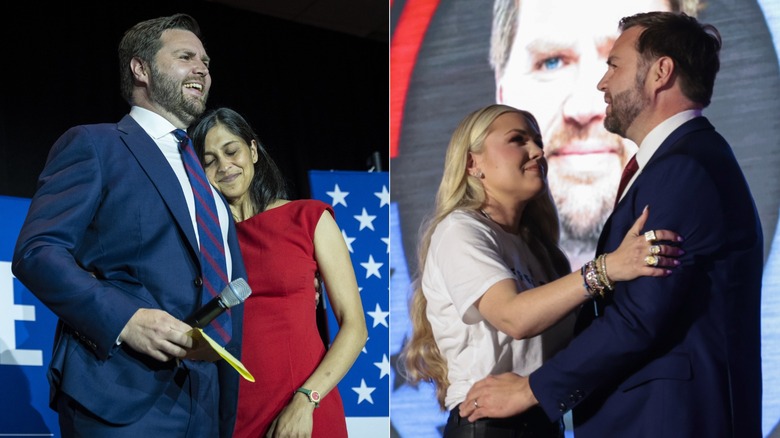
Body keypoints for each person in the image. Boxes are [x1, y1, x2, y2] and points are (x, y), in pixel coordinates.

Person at [461, 12, 764, 437]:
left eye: (613, 65)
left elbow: (639, 318)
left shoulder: (684, 170)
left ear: (660, 72)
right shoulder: (674, 163)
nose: (602, 84)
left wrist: (531, 389)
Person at [12, 13, 246, 437]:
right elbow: (37, 251)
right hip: (118, 396)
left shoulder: (209, 183)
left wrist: (225, 410)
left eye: (206, 61)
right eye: (186, 57)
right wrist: (127, 320)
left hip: (206, 405)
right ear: (141, 69)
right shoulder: (95, 145)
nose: (202, 69)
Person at [400, 103, 683, 437]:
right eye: (518, 140)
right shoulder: (460, 230)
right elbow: (514, 318)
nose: (537, 151)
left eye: (537, 141)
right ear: (473, 164)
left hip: (542, 425)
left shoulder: (541, 251)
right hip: (490, 427)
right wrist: (606, 269)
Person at [188, 107, 368, 437]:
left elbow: (355, 327)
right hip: (229, 416)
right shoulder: (202, 243)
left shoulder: (308, 218)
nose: (224, 166)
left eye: (232, 151)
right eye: (209, 160)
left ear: (253, 151)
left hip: (307, 409)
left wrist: (306, 400)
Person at [490, 0, 700, 268]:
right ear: (502, 92)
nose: (583, 109)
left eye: (623, 65)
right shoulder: (466, 243)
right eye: (551, 62)